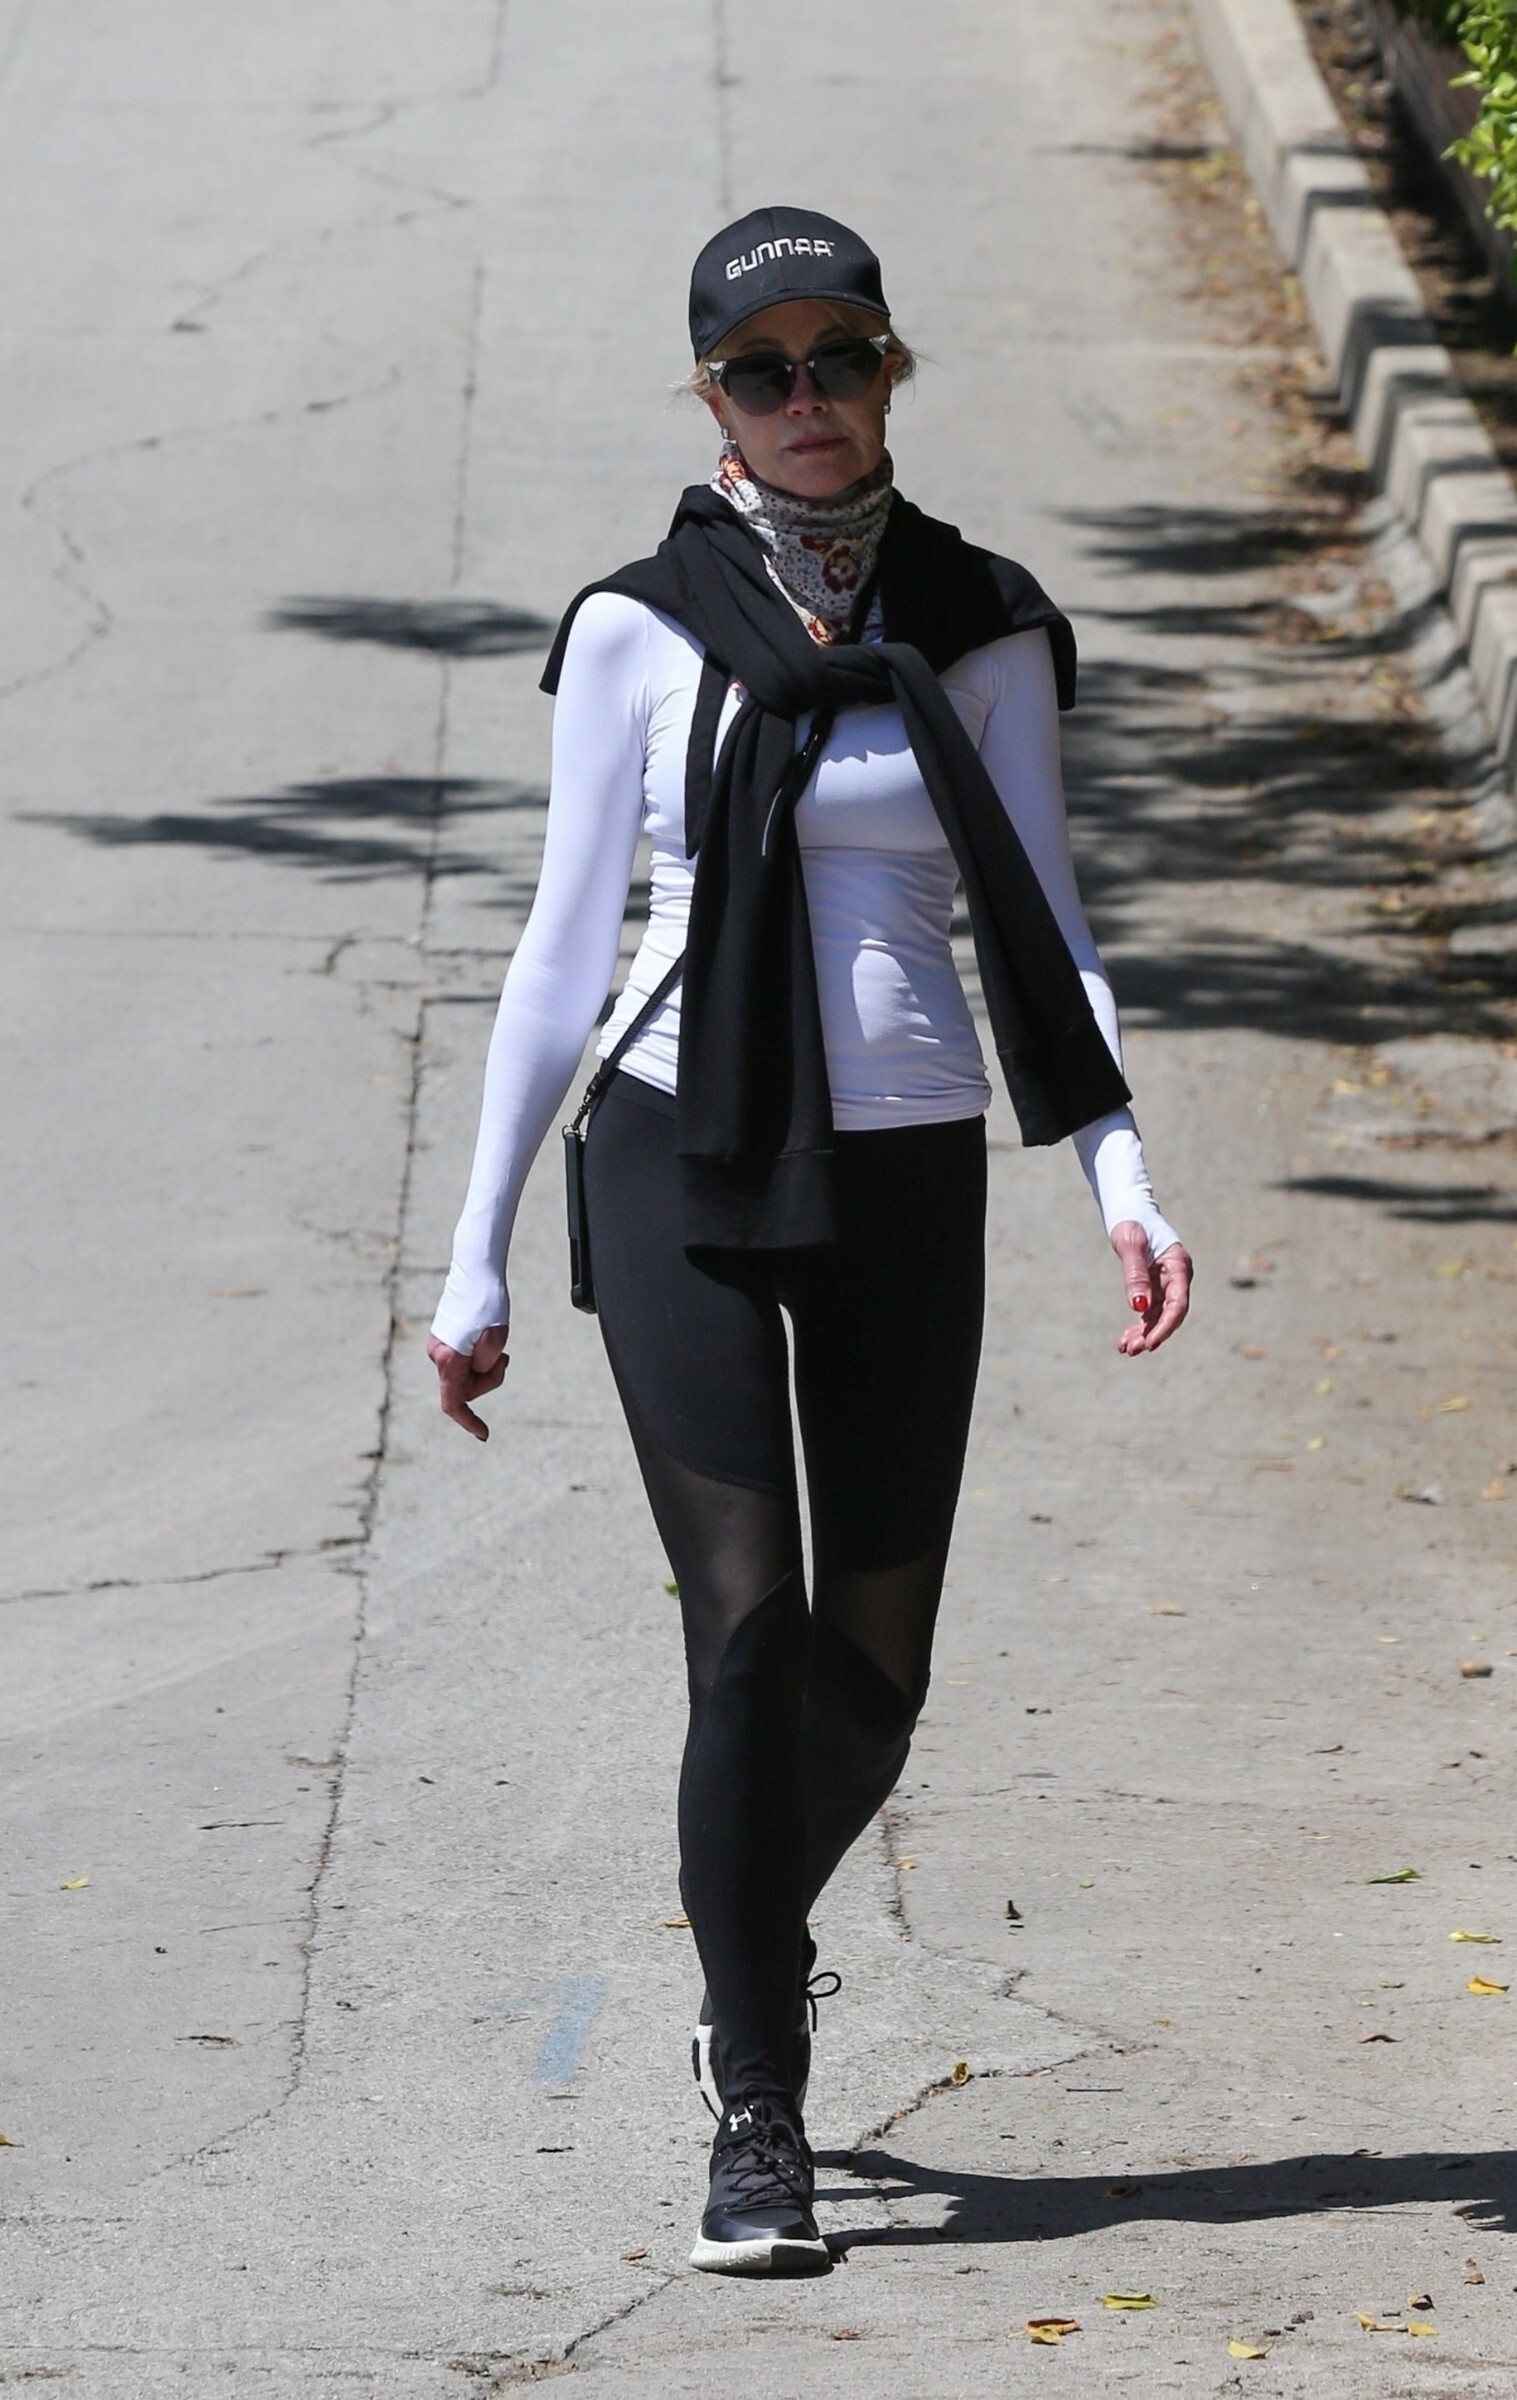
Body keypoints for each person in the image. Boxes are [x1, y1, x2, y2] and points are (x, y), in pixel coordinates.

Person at [428, 205, 1192, 2278]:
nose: (804, 402)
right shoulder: (636, 629)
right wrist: (475, 1249)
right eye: (760, 371)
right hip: (677, 1151)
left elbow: (1043, 921)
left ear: (887, 372)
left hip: (906, 1164)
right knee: (748, 1629)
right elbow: (561, 944)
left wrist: (1119, 1174)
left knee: (876, 1660)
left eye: (836, 359)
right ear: (712, 399)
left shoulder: (980, 623)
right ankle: (756, 2112)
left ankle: (732, 1948)